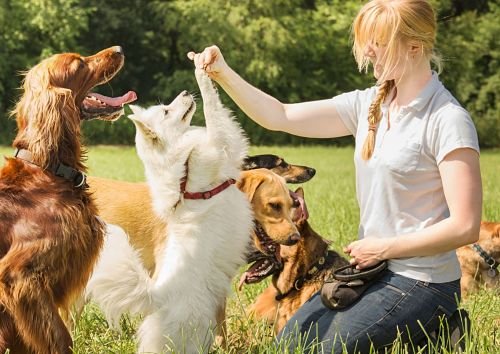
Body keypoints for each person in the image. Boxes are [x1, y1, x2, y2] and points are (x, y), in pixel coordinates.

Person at [188, 0, 482, 352]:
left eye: (378, 41)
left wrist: (386, 247)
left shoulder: (447, 120)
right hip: (374, 271)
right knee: (288, 344)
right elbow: (280, 115)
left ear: (414, 47)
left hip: (423, 281)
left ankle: (438, 321)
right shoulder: (369, 105)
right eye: (366, 40)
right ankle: (429, 336)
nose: (368, 51)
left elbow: (465, 226)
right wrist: (223, 72)